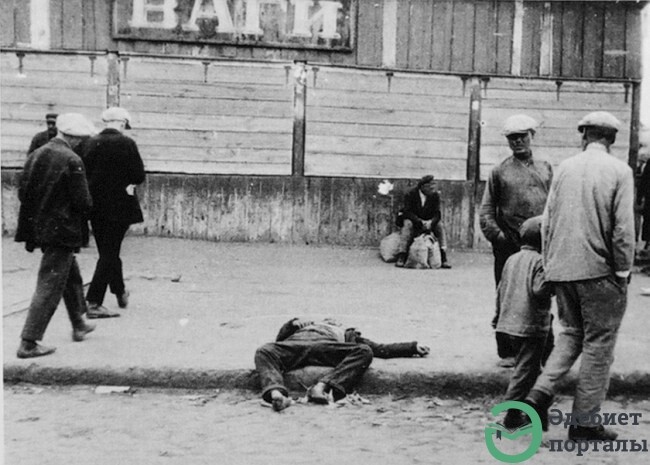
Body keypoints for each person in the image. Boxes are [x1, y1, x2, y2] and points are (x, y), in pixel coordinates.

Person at [523, 111, 635, 441]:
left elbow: (548, 220)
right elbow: (623, 229)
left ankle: (537, 397)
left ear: (583, 135)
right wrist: (623, 270)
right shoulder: (620, 171)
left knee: (571, 334)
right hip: (600, 272)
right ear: (611, 139)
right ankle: (585, 422)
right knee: (599, 344)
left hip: (562, 269)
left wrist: (552, 265)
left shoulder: (565, 167)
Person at [14, 113, 97, 358]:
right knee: (49, 285)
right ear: (71, 137)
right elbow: (83, 202)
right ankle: (29, 342)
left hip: (41, 228)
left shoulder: (37, 154)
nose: (82, 143)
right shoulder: (73, 160)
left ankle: (78, 323)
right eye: (80, 139)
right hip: (64, 230)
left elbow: (23, 191)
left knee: (70, 276)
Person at [254, 317, 430, 412]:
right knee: (264, 350)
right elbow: (279, 341)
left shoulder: (347, 333)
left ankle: (322, 386)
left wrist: (412, 347)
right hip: (296, 346)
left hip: (327, 347)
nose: (331, 321)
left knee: (364, 351)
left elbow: (381, 349)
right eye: (328, 320)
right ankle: (276, 394)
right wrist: (292, 324)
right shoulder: (303, 326)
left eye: (334, 322)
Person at [84, 107, 146, 318]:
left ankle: (119, 290)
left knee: (107, 251)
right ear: (121, 123)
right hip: (120, 206)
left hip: (95, 206)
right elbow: (138, 175)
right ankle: (93, 302)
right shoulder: (127, 144)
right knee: (110, 253)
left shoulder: (89, 143)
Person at [493, 216, 553, 429]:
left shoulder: (512, 259)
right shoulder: (540, 262)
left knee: (531, 369)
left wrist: (497, 316)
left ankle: (537, 414)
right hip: (531, 326)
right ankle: (511, 413)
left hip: (508, 323)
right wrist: (553, 280)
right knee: (525, 372)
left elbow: (501, 290)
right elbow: (540, 290)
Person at [480, 114, 553, 286]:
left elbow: (553, 204)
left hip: (540, 241)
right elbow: (487, 210)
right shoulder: (499, 171)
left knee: (538, 290)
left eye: (523, 136)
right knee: (508, 290)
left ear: (532, 136)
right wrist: (499, 237)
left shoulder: (545, 167)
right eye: (513, 137)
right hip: (509, 242)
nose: (518, 141)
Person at [394, 175, 452, 268]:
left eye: (433, 186)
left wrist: (431, 222)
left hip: (428, 221)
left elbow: (437, 213)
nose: (432, 189)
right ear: (422, 187)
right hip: (414, 220)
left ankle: (443, 256)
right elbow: (407, 212)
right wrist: (419, 222)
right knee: (407, 224)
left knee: (440, 226)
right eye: (430, 186)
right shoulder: (410, 194)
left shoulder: (434, 195)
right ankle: (402, 255)